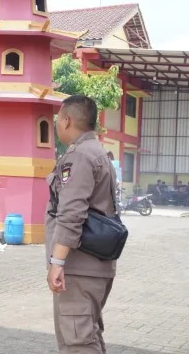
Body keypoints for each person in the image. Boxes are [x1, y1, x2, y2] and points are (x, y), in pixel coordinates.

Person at [46, 95, 118, 353]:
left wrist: (57, 262)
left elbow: (71, 212)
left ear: (66, 120)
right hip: (94, 266)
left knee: (77, 342)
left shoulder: (80, 156)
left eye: (57, 119)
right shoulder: (98, 151)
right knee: (87, 336)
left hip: (79, 268)